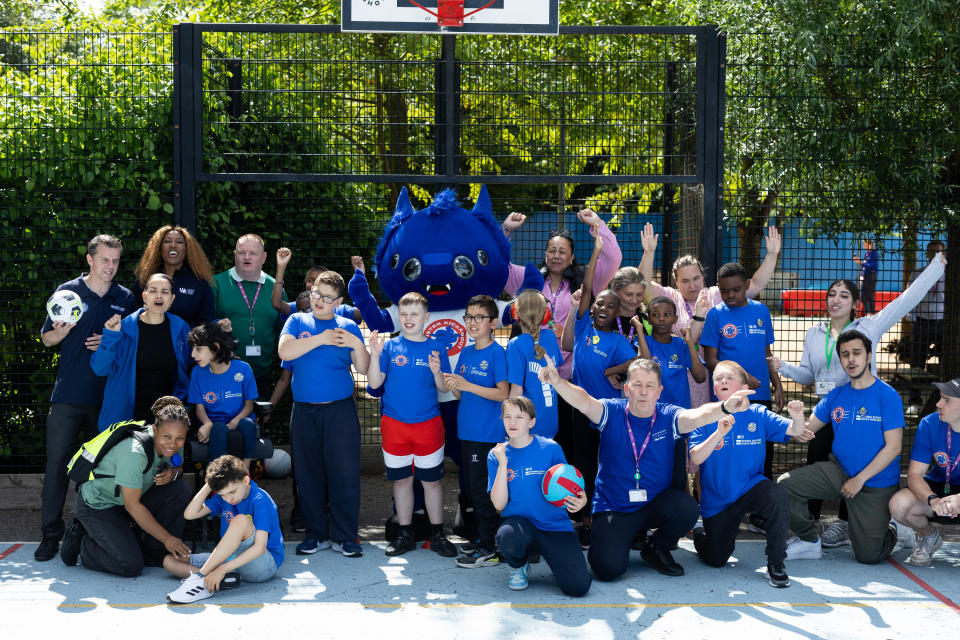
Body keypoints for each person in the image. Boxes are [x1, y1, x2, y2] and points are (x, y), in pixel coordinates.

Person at [774, 250, 945, 547]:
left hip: (861, 411)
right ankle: (810, 530)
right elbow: (807, 375)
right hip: (828, 409)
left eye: (843, 295)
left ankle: (845, 523)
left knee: (853, 464)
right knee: (816, 462)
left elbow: (905, 300)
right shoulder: (815, 333)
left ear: (854, 303)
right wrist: (784, 367)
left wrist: (934, 269)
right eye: (831, 294)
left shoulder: (868, 326)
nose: (835, 300)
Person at [538, 356, 755, 581]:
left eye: (650, 386)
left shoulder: (669, 415)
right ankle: (623, 537)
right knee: (607, 569)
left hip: (654, 505)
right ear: (626, 388)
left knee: (687, 508)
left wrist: (725, 407)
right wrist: (558, 382)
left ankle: (655, 548)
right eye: (637, 385)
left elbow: (698, 416)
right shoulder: (611, 411)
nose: (643, 392)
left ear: (659, 391)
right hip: (616, 508)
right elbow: (584, 400)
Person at [35, 234, 136, 562]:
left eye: (116, 260)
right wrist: (62, 332)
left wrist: (110, 342)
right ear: (90, 260)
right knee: (58, 468)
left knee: (99, 471)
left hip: (107, 401)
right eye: (105, 260)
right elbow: (47, 339)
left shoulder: (125, 297)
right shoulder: (68, 293)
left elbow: (132, 344)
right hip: (68, 396)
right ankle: (51, 534)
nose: (111, 266)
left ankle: (86, 533)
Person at [501, 209, 623, 456]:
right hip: (534, 381)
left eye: (562, 251)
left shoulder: (585, 281)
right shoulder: (528, 280)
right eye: (552, 251)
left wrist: (597, 223)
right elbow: (497, 266)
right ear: (545, 254)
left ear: (571, 257)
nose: (556, 256)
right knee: (537, 441)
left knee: (571, 443)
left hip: (572, 377)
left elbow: (613, 259)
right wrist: (505, 231)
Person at [778, 330, 905, 565]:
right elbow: (806, 432)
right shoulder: (836, 396)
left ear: (869, 356)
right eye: (845, 355)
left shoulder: (888, 396)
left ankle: (894, 527)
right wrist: (797, 420)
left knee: (868, 556)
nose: (851, 360)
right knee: (785, 485)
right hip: (840, 472)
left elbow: (894, 448)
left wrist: (860, 480)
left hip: (875, 482)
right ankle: (808, 540)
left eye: (857, 353)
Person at [688, 361, 811, 588]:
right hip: (718, 500)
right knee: (717, 559)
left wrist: (797, 416)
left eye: (729, 377)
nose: (723, 381)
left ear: (745, 386)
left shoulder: (758, 413)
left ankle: (776, 563)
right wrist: (718, 433)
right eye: (718, 378)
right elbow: (695, 458)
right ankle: (699, 533)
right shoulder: (704, 415)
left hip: (750, 487)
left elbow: (795, 430)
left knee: (777, 496)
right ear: (714, 388)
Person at [277, 270, 370, 557]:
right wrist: (321, 338)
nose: (320, 301)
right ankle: (316, 533)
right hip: (304, 411)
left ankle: (345, 536)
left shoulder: (347, 327)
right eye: (317, 293)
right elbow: (285, 352)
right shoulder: (297, 319)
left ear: (339, 301)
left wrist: (356, 344)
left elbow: (364, 368)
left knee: (344, 473)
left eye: (328, 298)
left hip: (339, 412)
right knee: (308, 474)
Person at [638, 223, 781, 407]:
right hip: (677, 375)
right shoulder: (668, 297)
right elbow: (643, 287)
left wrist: (771, 255)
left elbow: (754, 285)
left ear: (703, 276)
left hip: (713, 377)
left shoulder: (716, 294)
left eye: (696, 278)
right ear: (676, 282)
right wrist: (649, 252)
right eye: (685, 281)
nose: (692, 285)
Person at [59, 396, 192, 577]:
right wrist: (168, 538)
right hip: (100, 505)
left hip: (129, 498)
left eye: (180, 438)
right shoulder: (134, 453)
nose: (173, 444)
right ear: (154, 429)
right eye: (167, 436)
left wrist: (173, 473)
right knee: (130, 565)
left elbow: (178, 466)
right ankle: (83, 542)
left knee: (180, 490)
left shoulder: (174, 443)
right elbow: (133, 506)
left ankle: (154, 550)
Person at [367, 292, 456, 557]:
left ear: (426, 317)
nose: (408, 319)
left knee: (432, 482)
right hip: (395, 426)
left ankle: (437, 535)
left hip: (428, 425)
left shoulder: (437, 347)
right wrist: (374, 355)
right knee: (402, 481)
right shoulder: (391, 347)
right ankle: (405, 535)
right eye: (404, 314)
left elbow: (443, 388)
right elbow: (373, 384)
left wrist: (437, 371)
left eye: (414, 314)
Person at [560, 230, 636, 544]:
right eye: (599, 305)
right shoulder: (582, 329)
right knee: (582, 464)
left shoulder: (618, 341)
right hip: (580, 412)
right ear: (592, 309)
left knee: (611, 464)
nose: (603, 309)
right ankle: (583, 519)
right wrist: (595, 253)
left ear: (618, 314)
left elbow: (638, 363)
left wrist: (612, 369)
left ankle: (609, 516)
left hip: (608, 414)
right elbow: (588, 286)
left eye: (611, 307)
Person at [489, 397, 591, 596]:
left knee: (578, 587)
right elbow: (499, 504)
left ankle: (554, 557)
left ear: (532, 422)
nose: (512, 422)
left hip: (554, 526)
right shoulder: (496, 455)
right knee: (506, 536)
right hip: (521, 526)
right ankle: (519, 566)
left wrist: (582, 500)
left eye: (519, 417)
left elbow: (569, 484)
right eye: (507, 417)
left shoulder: (551, 448)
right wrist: (503, 464)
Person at [442, 295, 510, 568]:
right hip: (467, 433)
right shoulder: (467, 352)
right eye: (468, 316)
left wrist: (467, 386)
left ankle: (491, 546)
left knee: (483, 493)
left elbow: (503, 393)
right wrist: (451, 382)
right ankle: (483, 539)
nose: (472, 322)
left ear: (493, 323)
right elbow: (460, 392)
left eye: (478, 317)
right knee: (472, 490)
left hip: (488, 435)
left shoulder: (497, 353)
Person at [164, 454, 284, 603]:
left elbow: (259, 548)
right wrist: (210, 484)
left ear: (246, 480)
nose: (229, 499)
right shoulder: (224, 497)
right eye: (223, 494)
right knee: (169, 561)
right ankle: (212, 581)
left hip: (263, 565)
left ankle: (200, 579)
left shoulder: (260, 499)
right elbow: (190, 514)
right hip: (233, 560)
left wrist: (222, 568)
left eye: (232, 492)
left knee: (240, 521)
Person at [90, 273, 191, 429]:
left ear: (172, 299)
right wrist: (110, 336)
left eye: (165, 292)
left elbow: (190, 367)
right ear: (144, 296)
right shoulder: (123, 328)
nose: (159, 296)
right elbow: (100, 368)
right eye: (153, 291)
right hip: (125, 418)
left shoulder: (181, 329)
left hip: (166, 422)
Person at [638, 296, 707, 494]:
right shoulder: (644, 343)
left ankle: (682, 512)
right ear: (649, 319)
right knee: (652, 466)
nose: (661, 319)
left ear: (675, 318)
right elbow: (643, 367)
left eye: (667, 315)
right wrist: (641, 334)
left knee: (678, 468)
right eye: (656, 315)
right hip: (651, 417)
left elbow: (700, 376)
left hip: (677, 418)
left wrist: (689, 343)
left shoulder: (680, 345)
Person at [888, 378, 960, 566]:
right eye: (940, 398)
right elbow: (914, 475)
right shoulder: (930, 423)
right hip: (938, 489)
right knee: (899, 504)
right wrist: (933, 500)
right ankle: (930, 537)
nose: (938, 403)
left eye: (946, 400)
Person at [213, 234, 287, 400]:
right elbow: (205, 325)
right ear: (235, 255)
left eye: (253, 253)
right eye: (242, 252)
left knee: (256, 425)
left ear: (264, 257)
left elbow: (284, 333)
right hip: (223, 372)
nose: (247, 257)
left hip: (261, 375)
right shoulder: (217, 283)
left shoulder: (275, 287)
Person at [187, 322, 259, 469]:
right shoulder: (197, 372)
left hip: (239, 421)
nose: (193, 354)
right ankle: (214, 479)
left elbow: (249, 406)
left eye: (198, 349)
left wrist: (232, 424)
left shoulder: (243, 368)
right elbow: (199, 409)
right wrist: (207, 423)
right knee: (218, 429)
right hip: (214, 423)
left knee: (248, 425)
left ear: (216, 347)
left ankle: (245, 470)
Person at [506, 289, 564, 439]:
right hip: (550, 422)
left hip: (527, 426)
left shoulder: (515, 345)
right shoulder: (551, 337)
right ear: (545, 316)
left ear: (515, 314)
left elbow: (516, 391)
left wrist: (510, 422)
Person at [132, 225, 215, 327]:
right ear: (159, 247)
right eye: (167, 241)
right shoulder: (144, 278)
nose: (173, 245)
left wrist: (181, 332)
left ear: (187, 249)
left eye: (179, 242)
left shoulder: (200, 282)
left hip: (186, 341)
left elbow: (206, 322)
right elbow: (134, 316)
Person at [905, 239, 946, 415]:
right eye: (931, 252)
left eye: (939, 252)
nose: (935, 256)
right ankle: (914, 400)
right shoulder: (918, 273)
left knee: (946, 360)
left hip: (942, 322)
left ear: (943, 254)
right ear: (927, 254)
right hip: (922, 321)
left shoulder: (949, 274)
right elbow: (910, 294)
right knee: (917, 362)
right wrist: (911, 317)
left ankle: (946, 399)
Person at [610, 266, 650, 350]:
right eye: (628, 294)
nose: (634, 300)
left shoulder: (648, 321)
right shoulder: (604, 318)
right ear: (615, 290)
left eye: (639, 295)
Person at [853, 238, 879, 315]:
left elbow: (871, 266)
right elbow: (864, 266)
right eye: (863, 244)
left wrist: (860, 262)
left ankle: (871, 313)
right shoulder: (866, 253)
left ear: (871, 245)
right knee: (863, 296)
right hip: (865, 276)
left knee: (870, 295)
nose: (864, 246)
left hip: (871, 276)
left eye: (866, 244)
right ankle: (868, 312)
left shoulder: (874, 253)